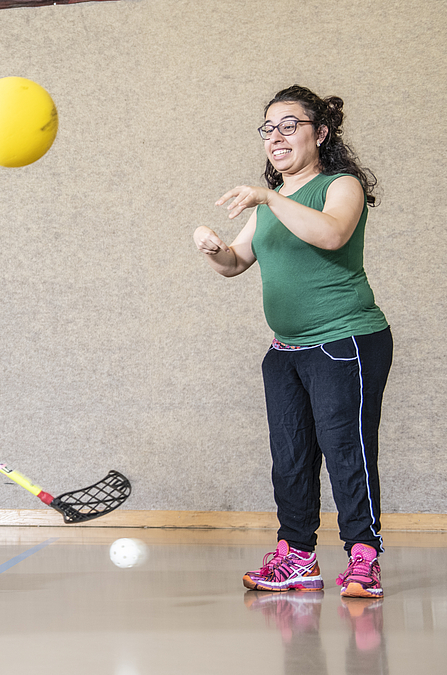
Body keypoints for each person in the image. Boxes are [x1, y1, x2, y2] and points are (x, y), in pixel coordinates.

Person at [193, 85, 390, 598]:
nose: (276, 137)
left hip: (345, 341)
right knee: (292, 456)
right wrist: (213, 249)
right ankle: (297, 556)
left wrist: (268, 196)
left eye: (289, 125)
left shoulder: (338, 185)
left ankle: (363, 557)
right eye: (268, 128)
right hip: (286, 349)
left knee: (346, 449)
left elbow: (331, 235)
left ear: (319, 133)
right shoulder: (269, 206)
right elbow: (235, 265)